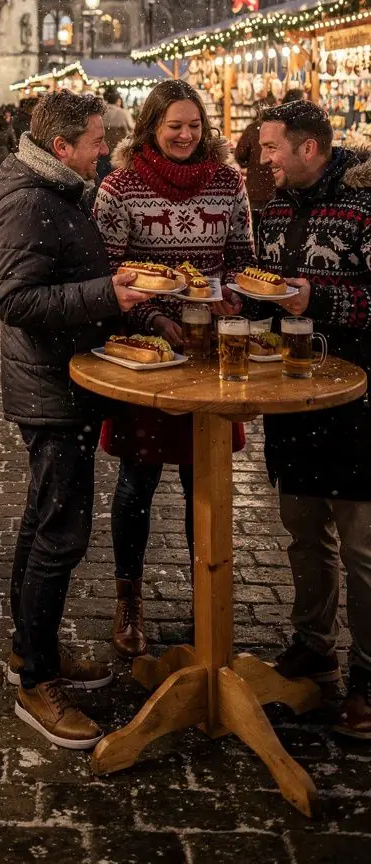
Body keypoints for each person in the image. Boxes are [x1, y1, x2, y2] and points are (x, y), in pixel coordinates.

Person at [0, 90, 149, 749]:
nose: (104, 150)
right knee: (61, 532)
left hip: (61, 382)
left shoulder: (55, 185)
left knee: (43, 520)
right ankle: (37, 686)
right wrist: (107, 293)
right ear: (62, 147)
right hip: (52, 387)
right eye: (95, 140)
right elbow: (15, 298)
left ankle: (32, 651)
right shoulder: (33, 197)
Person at [94, 79, 254, 658]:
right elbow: (110, 268)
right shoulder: (119, 188)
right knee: (137, 480)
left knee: (203, 479)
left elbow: (240, 259)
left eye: (194, 126)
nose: (186, 136)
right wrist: (161, 319)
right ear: (151, 128)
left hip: (210, 352)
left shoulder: (227, 183)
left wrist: (232, 297)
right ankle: (128, 597)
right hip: (149, 356)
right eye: (174, 127)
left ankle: (205, 596)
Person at [253, 99, 371, 737]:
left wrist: (314, 296)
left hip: (358, 400)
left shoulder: (363, 199)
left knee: (362, 546)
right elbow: (273, 280)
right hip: (293, 394)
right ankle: (313, 647)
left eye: (272, 147)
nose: (264, 159)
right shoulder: (276, 204)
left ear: (309, 147)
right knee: (303, 532)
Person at [234, 89, 303, 227]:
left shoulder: (253, 129)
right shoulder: (286, 130)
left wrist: (252, 164)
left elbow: (240, 155)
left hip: (257, 190)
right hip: (280, 190)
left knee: (256, 231)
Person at [101, 86, 134, 157]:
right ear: (118, 100)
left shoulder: (100, 113)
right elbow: (132, 130)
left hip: (102, 152)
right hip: (118, 154)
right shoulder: (123, 113)